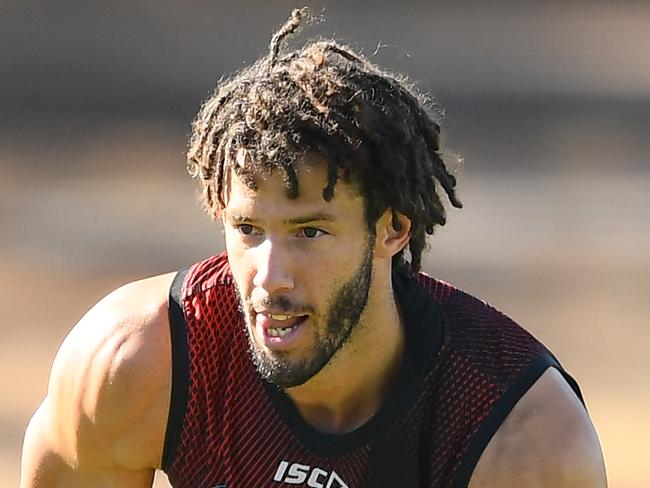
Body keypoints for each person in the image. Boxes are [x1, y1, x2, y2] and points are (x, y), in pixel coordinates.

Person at [20, 8, 607, 488]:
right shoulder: (137, 364)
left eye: (310, 232)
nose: (269, 276)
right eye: (249, 230)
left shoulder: (519, 434)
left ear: (392, 230)